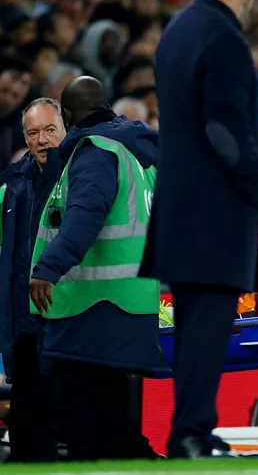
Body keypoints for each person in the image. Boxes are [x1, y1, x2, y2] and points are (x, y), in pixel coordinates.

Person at [138, 0, 258, 460]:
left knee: (197, 325)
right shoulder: (224, 37)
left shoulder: (179, 29)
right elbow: (224, 129)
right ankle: (192, 433)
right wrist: (257, 188)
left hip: (182, 208)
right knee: (206, 329)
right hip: (215, 212)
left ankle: (191, 428)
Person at [28, 77, 164, 461]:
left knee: (79, 408)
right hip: (131, 300)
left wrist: (48, 267)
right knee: (106, 407)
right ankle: (144, 463)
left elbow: (85, 217)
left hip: (91, 303)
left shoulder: (96, 151)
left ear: (68, 116)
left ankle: (141, 463)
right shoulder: (141, 154)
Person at [0, 98, 65, 462]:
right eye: (33, 133)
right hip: (26, 327)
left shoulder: (82, 178)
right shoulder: (13, 185)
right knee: (27, 430)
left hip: (68, 322)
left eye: (50, 130)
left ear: (65, 129)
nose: (42, 140)